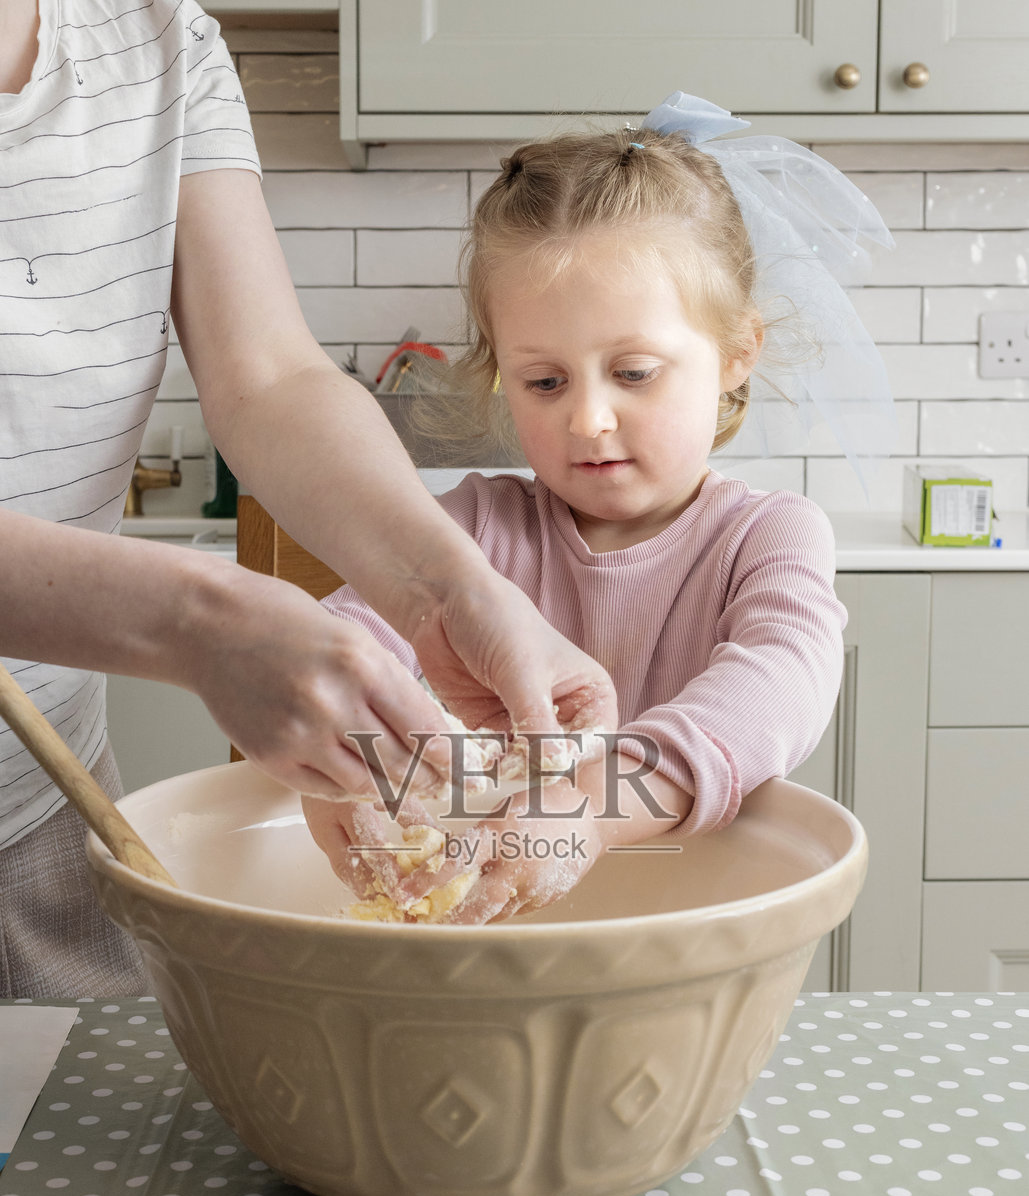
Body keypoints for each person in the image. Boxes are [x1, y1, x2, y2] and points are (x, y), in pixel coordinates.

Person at [0, 0, 617, 997]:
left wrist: (446, 587)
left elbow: (270, 379)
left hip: (45, 806)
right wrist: (196, 619)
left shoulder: (160, 39)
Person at [303, 93, 895, 926]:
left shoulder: (767, 535)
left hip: (695, 934)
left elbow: (780, 681)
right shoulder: (473, 530)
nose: (587, 419)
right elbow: (349, 643)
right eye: (544, 382)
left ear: (736, 354)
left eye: (634, 372)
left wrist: (585, 806)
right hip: (488, 937)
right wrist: (335, 765)